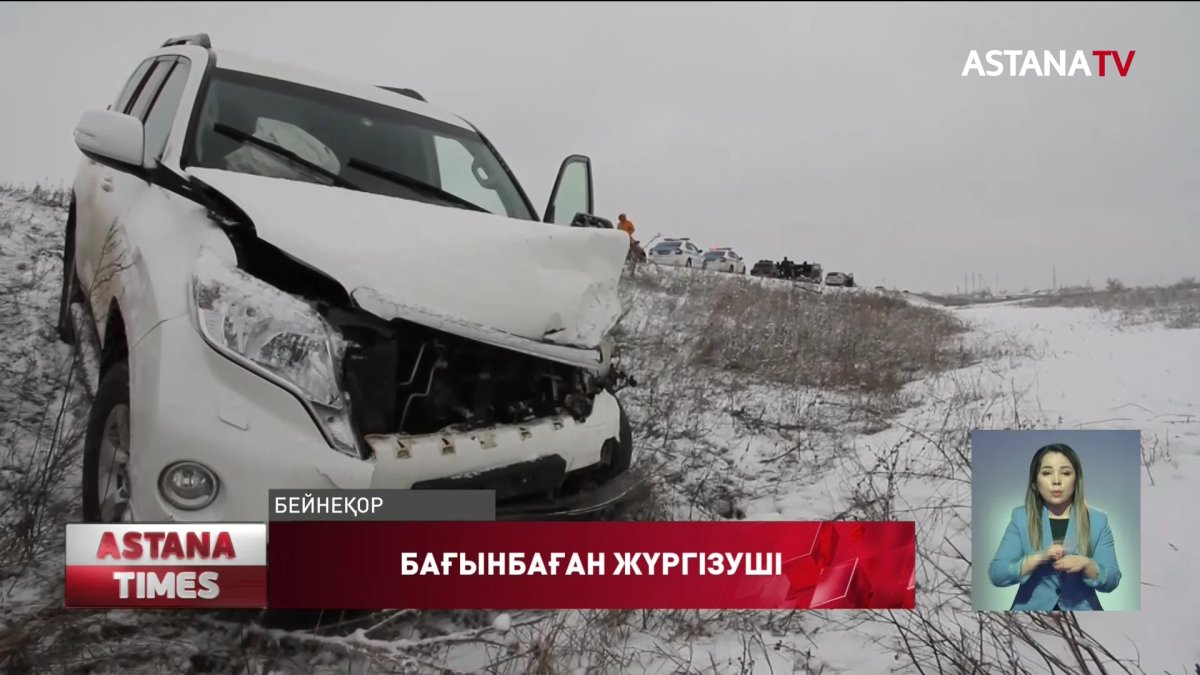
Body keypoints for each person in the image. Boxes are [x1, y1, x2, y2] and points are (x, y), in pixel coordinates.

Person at [987, 442, 1122, 611]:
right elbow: (997, 574)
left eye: (1065, 473)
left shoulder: (1098, 520)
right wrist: (1037, 558)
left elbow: (1112, 579)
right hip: (1031, 614)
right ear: (1035, 481)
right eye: (1046, 473)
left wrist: (1087, 565)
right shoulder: (1021, 517)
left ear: (1077, 480)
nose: (1056, 481)